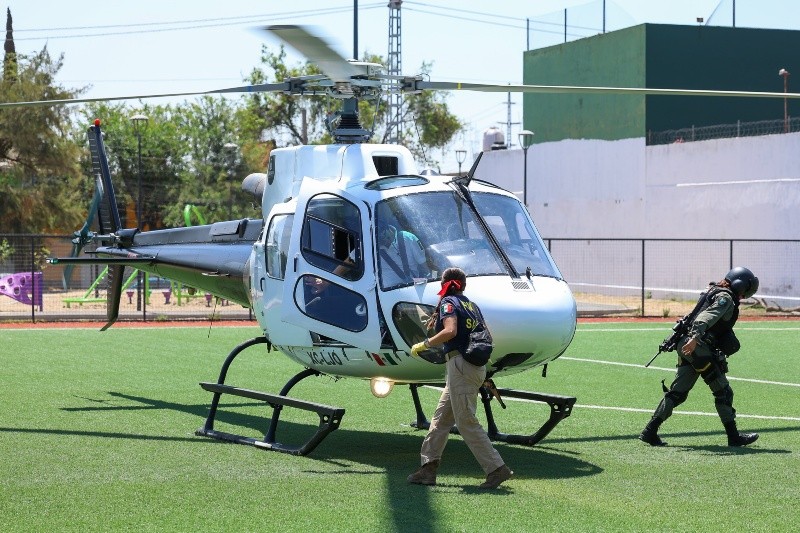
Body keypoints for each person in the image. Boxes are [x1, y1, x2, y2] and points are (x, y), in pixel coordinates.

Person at [406, 267, 513, 489]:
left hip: (461, 366)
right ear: (463, 285)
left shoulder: (449, 303)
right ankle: (428, 468)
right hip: (472, 367)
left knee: (465, 421)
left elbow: (450, 331)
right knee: (440, 420)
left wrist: (424, 345)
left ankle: (496, 468)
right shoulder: (472, 306)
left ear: (444, 284)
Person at [639, 267, 760, 447]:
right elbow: (703, 318)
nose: (743, 295)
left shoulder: (712, 291)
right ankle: (733, 437)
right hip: (696, 347)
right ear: (740, 284)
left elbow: (692, 315)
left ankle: (650, 431)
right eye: (744, 291)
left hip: (687, 346)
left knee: (678, 392)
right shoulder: (726, 298)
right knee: (723, 391)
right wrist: (695, 338)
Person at [377, 222, 429, 288]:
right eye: (380, 240)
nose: (385, 242)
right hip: (387, 291)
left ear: (387, 229)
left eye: (384, 237)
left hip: (413, 285)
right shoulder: (374, 249)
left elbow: (424, 266)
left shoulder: (408, 238)